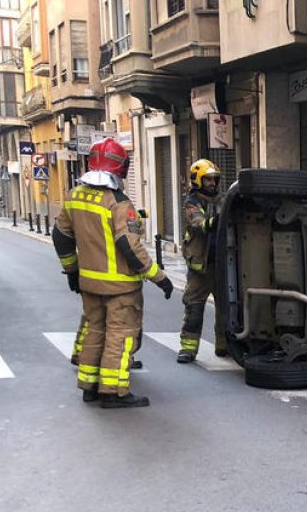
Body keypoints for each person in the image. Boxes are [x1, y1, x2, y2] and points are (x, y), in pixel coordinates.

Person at [51, 138, 172, 408]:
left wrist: (72, 271)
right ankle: (114, 393)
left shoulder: (74, 196)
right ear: (120, 169)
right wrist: (159, 277)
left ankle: (89, 386)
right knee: (120, 336)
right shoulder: (118, 203)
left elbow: (60, 236)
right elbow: (129, 246)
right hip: (120, 287)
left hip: (90, 284)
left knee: (95, 331)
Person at [177, 159, 227, 363]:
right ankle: (188, 349)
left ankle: (225, 346)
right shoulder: (192, 202)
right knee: (194, 308)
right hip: (200, 267)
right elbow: (198, 221)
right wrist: (213, 222)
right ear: (198, 180)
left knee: (227, 308)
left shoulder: (223, 199)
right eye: (208, 180)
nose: (212, 184)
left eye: (214, 180)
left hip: (223, 264)